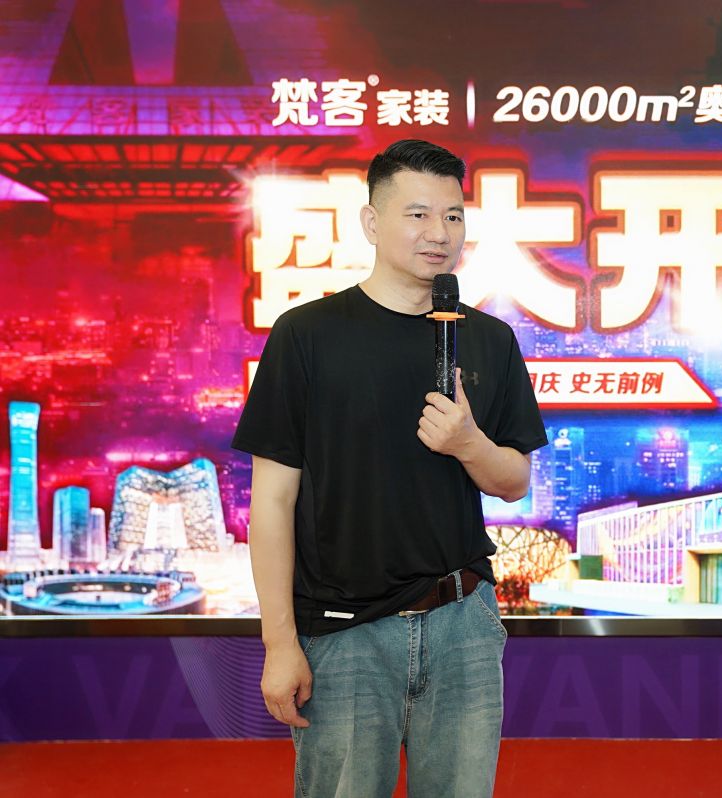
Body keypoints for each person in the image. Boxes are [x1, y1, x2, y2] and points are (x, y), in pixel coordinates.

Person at [232, 139, 547, 798]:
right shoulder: (307, 334)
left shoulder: (489, 339)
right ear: (371, 222)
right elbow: (272, 503)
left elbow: (514, 480)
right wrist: (280, 643)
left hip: (462, 623)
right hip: (343, 632)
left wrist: (469, 443)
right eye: (418, 214)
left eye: (453, 216)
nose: (439, 234)